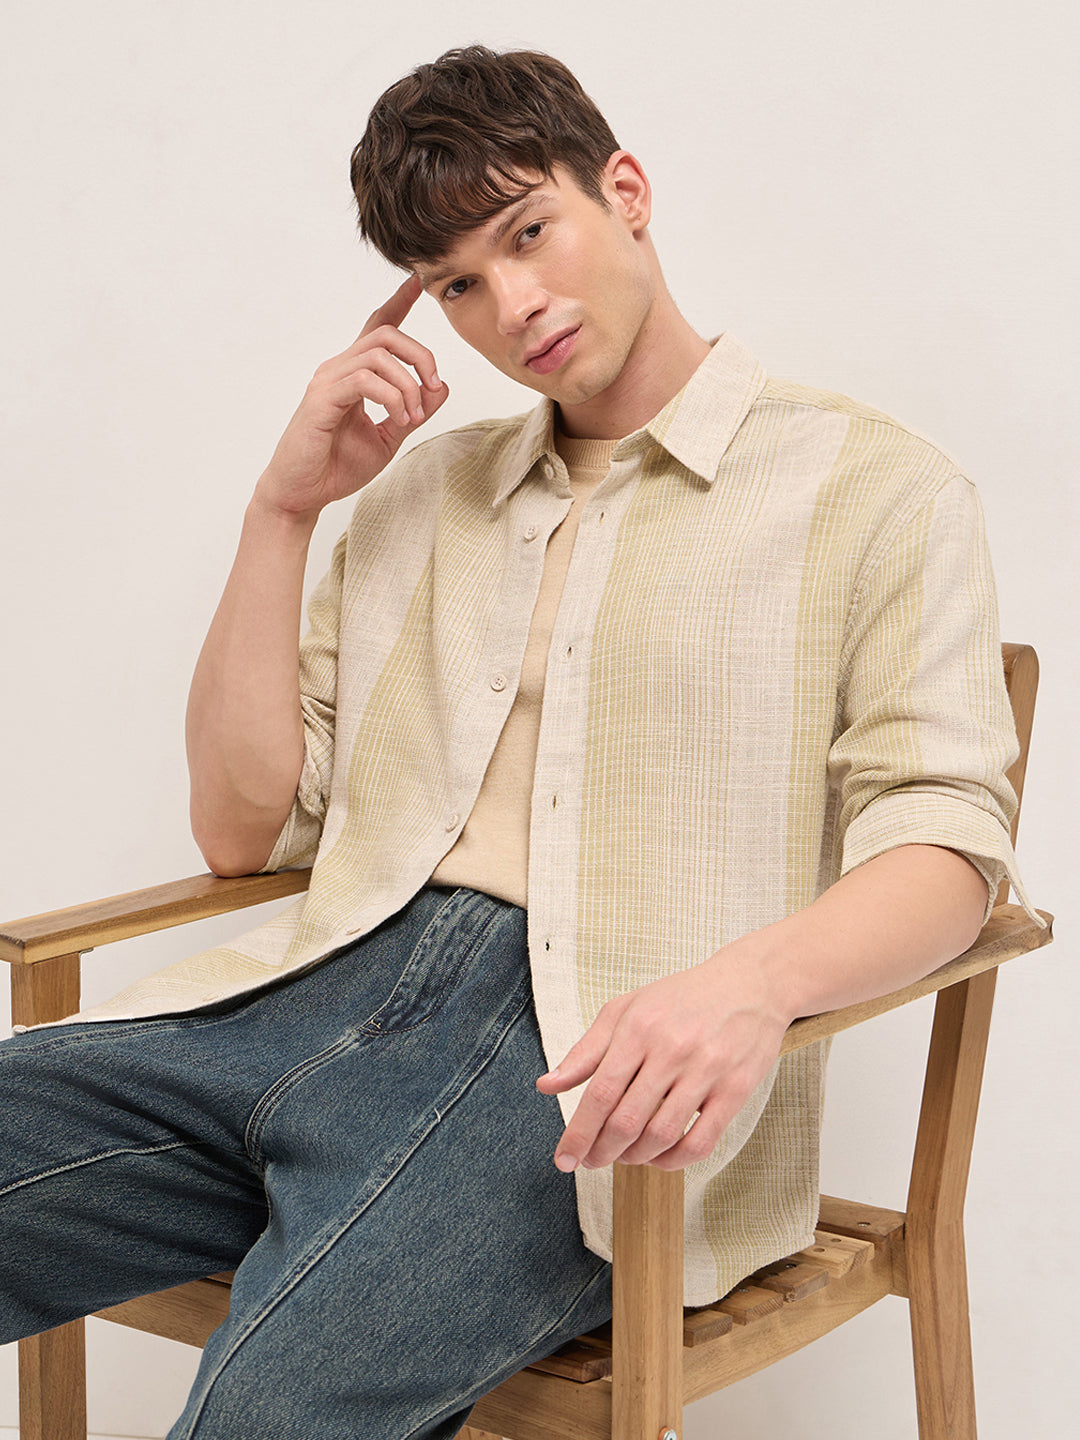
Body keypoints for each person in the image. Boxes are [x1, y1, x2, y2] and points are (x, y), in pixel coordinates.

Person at [0, 45, 1038, 1440]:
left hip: (576, 1074)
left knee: (263, 1419)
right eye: (458, 285)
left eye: (529, 233)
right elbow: (243, 832)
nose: (514, 304)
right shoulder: (421, 492)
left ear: (627, 192)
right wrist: (283, 512)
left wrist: (752, 984)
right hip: (300, 990)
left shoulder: (875, 489)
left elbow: (951, 848)